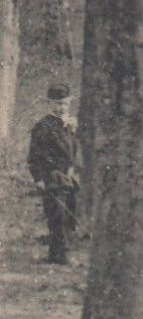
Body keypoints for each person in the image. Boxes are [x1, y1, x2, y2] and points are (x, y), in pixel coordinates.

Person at [27, 83, 81, 265]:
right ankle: (61, 255)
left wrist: (74, 169)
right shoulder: (43, 126)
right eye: (57, 104)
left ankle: (57, 253)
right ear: (49, 104)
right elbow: (34, 155)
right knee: (57, 213)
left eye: (65, 104)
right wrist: (38, 178)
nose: (62, 108)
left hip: (68, 176)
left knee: (69, 213)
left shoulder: (69, 125)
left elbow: (74, 150)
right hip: (51, 176)